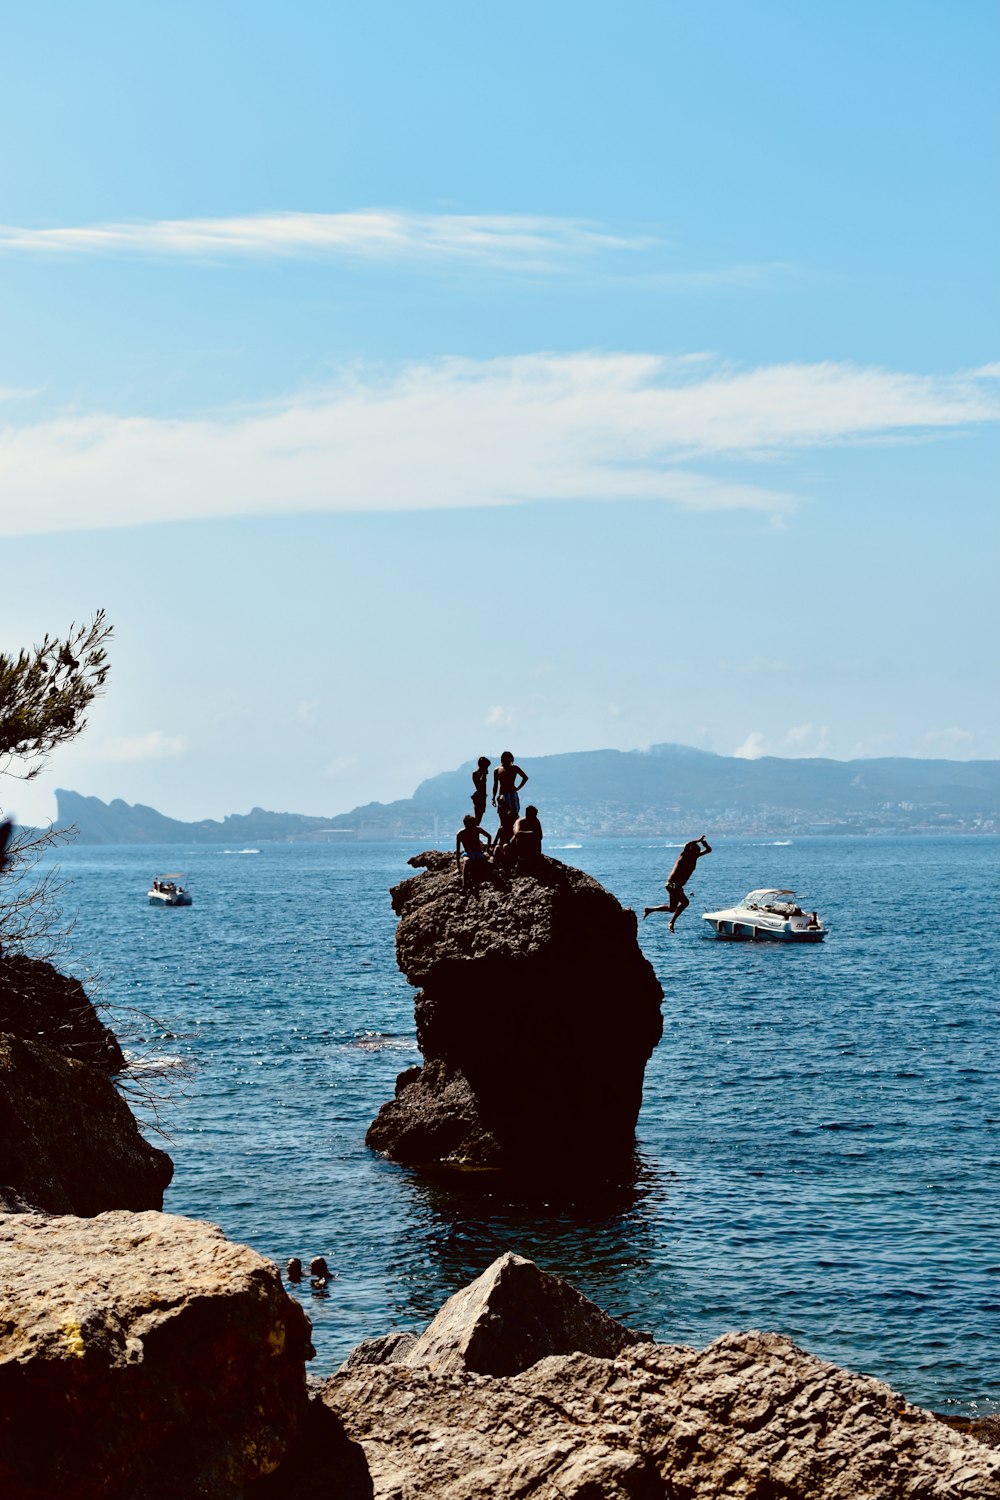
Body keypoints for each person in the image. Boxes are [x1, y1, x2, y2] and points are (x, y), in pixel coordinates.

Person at [643, 835, 712, 931]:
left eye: (697, 852)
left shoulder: (694, 857)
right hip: (672, 884)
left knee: (672, 908)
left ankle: (650, 909)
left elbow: (708, 850)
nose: (697, 853)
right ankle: (671, 922)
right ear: (691, 851)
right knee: (685, 902)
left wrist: (705, 844)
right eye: (695, 851)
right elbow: (688, 844)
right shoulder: (683, 856)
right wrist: (698, 840)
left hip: (676, 886)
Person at [492, 751, 528, 843]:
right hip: (502, 795)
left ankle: (513, 838)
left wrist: (517, 788)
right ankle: (503, 839)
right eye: (505, 759)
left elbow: (525, 777)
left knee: (514, 815)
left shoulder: (514, 768)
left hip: (511, 794)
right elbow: (495, 784)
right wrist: (493, 797)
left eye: (508, 759)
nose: (506, 761)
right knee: (502, 816)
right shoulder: (497, 770)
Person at [455, 813, 493, 888]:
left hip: (478, 852)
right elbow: (458, 851)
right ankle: (464, 884)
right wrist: (458, 868)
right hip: (467, 853)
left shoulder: (477, 829)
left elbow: (489, 836)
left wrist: (487, 850)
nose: (473, 826)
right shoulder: (460, 834)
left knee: (484, 864)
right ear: (466, 824)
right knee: (467, 861)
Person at [510, 805, 543, 869]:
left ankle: (535, 857)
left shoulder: (536, 821)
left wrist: (533, 834)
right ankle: (520, 858)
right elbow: (517, 833)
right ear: (528, 814)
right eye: (533, 815)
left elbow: (540, 836)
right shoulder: (520, 821)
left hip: (531, 848)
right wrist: (532, 833)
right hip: (518, 846)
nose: (535, 817)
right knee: (520, 837)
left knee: (536, 839)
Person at [470, 756, 491, 824]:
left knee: (479, 816)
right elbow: (480, 785)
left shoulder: (481, 773)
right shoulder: (475, 774)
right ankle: (474, 830)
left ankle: (475, 829)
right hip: (479, 797)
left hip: (482, 796)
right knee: (478, 817)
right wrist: (484, 774)